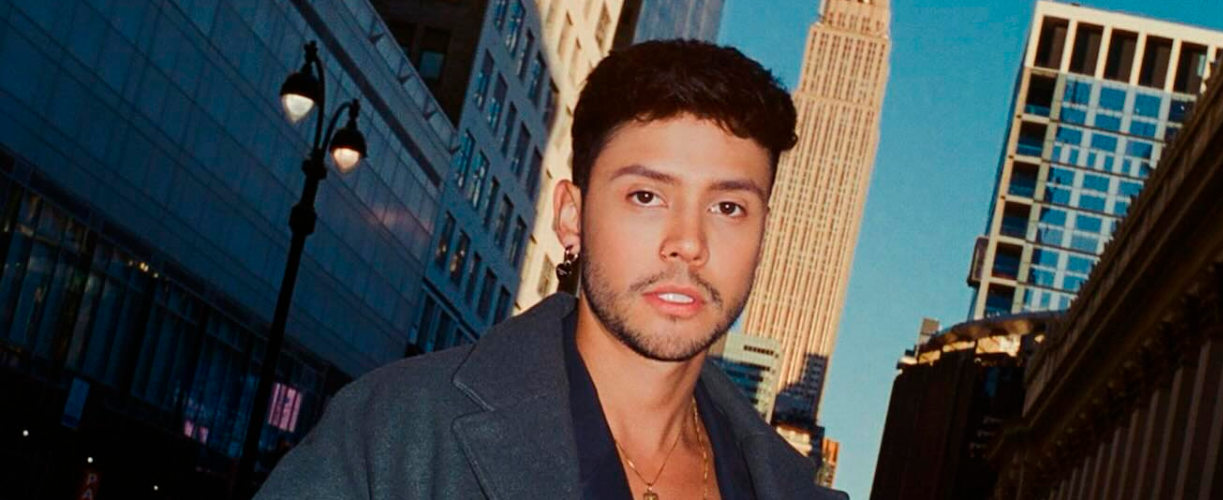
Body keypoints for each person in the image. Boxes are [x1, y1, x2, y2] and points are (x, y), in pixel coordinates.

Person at [254, 39, 844, 500]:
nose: (688, 243)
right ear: (571, 218)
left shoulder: (785, 487)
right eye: (646, 196)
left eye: (728, 207)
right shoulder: (396, 432)